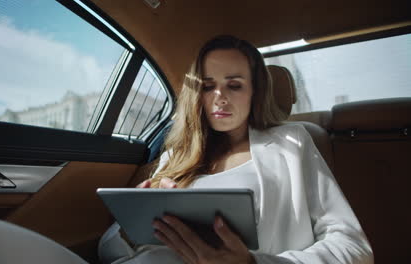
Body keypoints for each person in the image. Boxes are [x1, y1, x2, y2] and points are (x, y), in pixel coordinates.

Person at [98, 35, 374, 264]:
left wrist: (254, 263)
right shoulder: (174, 156)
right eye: (208, 86)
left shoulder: (292, 143)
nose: (220, 98)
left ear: (256, 92)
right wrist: (130, 226)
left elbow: (353, 246)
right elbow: (109, 251)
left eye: (234, 85)